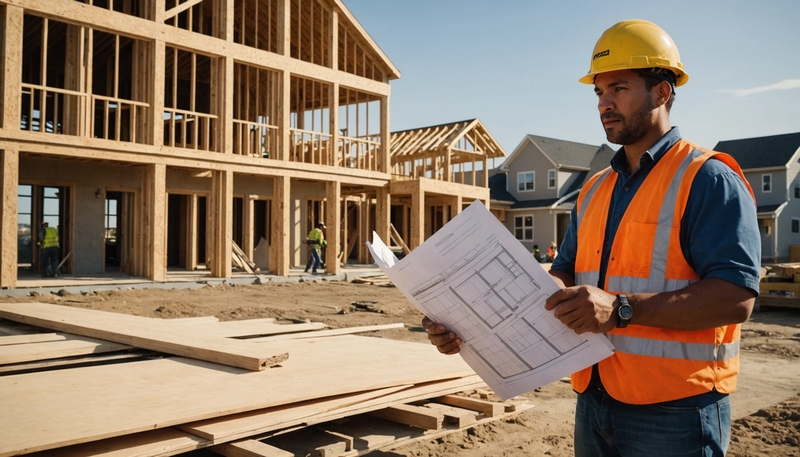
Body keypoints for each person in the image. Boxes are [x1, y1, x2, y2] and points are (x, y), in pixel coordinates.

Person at [422, 19, 760, 456]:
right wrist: (473, 320)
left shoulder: (708, 178)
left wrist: (620, 309)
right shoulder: (595, 188)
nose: (604, 103)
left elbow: (736, 298)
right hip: (595, 397)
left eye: (619, 88)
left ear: (662, 92)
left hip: (677, 408)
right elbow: (564, 272)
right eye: (599, 92)